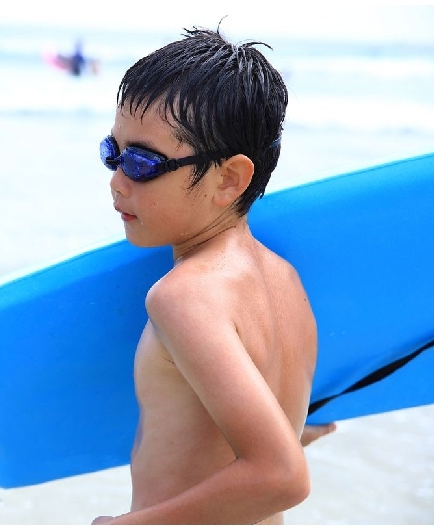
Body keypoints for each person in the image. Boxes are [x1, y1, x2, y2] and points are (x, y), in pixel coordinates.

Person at [92, 27, 318, 525]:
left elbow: (282, 475)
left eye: (141, 162)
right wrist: (299, 431)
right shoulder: (288, 283)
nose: (117, 180)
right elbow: (268, 437)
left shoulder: (183, 297)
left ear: (229, 179)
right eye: (112, 152)